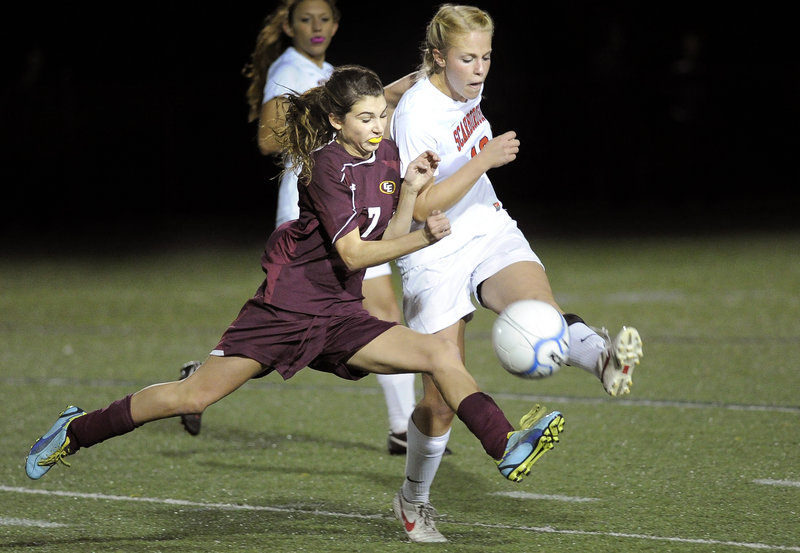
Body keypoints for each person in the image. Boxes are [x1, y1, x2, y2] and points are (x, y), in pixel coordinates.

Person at [25, 69, 566, 539]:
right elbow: (353, 253)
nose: (379, 126)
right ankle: (75, 431)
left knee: (439, 356)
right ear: (338, 123)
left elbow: (388, 231)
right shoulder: (324, 167)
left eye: (382, 115)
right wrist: (423, 239)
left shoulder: (387, 156)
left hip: (340, 316)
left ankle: (505, 444)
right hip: (284, 311)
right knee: (192, 399)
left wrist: (407, 195)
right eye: (365, 118)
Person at [388, 5, 644, 543]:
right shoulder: (417, 113)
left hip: (484, 223)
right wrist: (483, 160)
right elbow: (418, 206)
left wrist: (476, 167)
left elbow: (421, 88)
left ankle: (600, 359)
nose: (480, 68)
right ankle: (413, 501)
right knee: (438, 402)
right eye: (467, 58)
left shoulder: (460, 83)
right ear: (439, 57)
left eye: (486, 56)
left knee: (540, 314)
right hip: (431, 248)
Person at [179, 0, 421, 455]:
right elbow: (269, 138)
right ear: (290, 26)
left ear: (335, 24)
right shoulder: (289, 69)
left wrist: (394, 92)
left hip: (352, 210)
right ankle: (402, 427)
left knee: (341, 317)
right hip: (311, 211)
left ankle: (400, 426)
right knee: (320, 320)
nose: (316, 27)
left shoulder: (331, 72)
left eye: (325, 19)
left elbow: (354, 117)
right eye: (306, 19)